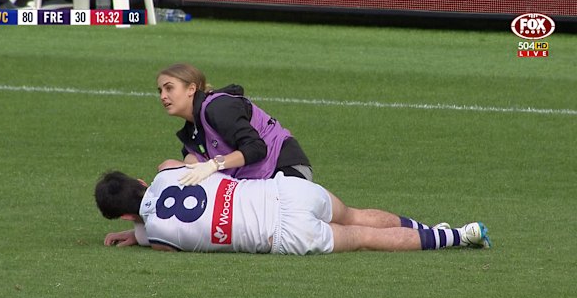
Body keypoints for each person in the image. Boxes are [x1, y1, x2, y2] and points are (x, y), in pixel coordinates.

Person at [94, 160, 491, 254]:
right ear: (140, 181)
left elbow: (157, 233)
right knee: (355, 214)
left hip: (284, 234)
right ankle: (432, 227)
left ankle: (459, 236)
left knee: (365, 238)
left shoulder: (156, 237)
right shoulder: (165, 173)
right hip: (286, 192)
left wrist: (135, 233)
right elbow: (169, 165)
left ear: (126, 216)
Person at [156, 63, 312, 186]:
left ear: (191, 89)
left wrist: (214, 164)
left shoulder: (218, 108)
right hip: (256, 182)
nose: (163, 96)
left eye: (169, 88)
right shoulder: (191, 134)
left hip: (285, 169)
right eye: (160, 91)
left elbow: (256, 148)